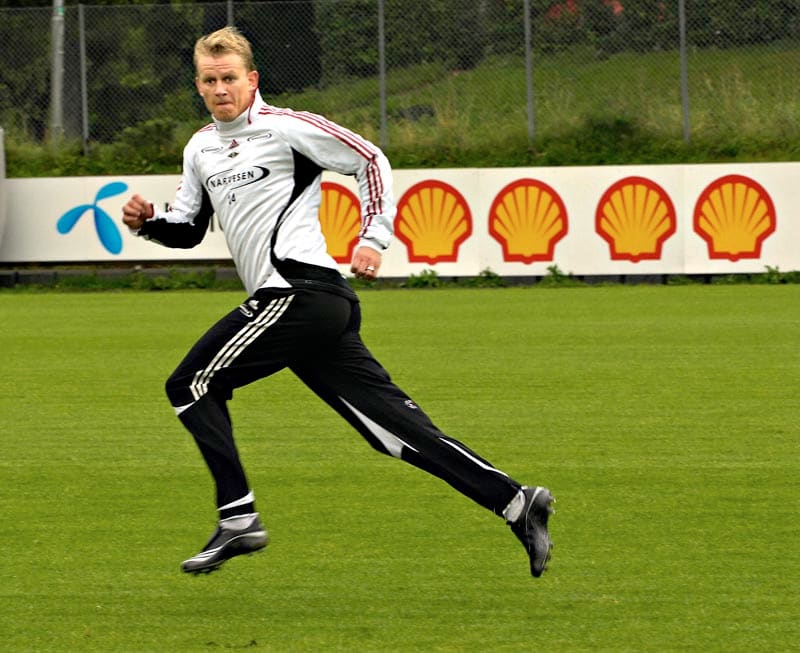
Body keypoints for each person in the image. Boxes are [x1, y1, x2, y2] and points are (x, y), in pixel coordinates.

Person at [122, 26, 554, 577]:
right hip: (307, 310)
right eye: (209, 80)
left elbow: (369, 159)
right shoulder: (200, 148)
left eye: (229, 77)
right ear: (199, 85)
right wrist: (149, 223)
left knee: (190, 384)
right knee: (390, 433)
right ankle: (516, 502)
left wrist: (373, 237)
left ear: (252, 79)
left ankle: (238, 519)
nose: (220, 89)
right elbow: (188, 228)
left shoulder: (287, 127)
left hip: (299, 292)